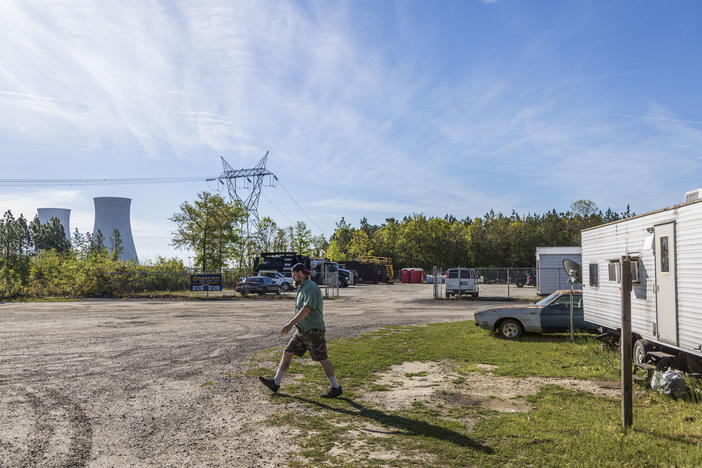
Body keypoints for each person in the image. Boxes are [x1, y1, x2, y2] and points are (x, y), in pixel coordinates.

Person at [259, 263, 342, 398]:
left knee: (323, 359)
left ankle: (336, 387)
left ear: (301, 274)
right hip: (303, 331)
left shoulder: (311, 287)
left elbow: (307, 308)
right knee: (287, 352)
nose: (292, 276)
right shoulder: (303, 287)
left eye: (294, 273)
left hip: (314, 331)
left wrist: (290, 324)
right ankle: (276, 382)